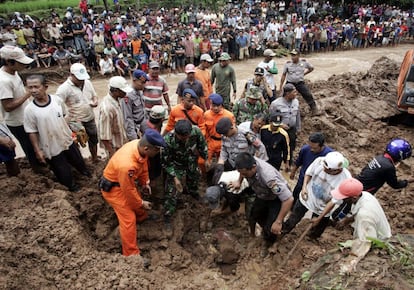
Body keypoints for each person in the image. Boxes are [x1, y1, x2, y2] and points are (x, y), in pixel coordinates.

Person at [99, 129, 166, 257]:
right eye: (156, 150)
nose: (158, 153)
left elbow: (143, 163)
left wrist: (144, 182)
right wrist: (141, 203)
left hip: (123, 183)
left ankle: (142, 217)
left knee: (137, 201)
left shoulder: (138, 145)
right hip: (114, 189)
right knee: (128, 218)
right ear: (147, 148)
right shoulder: (127, 165)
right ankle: (131, 254)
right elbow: (128, 191)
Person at [24, 74, 90, 192]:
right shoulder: (29, 110)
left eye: (36, 87)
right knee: (61, 169)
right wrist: (38, 150)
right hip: (50, 144)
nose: (33, 90)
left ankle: (87, 175)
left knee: (78, 160)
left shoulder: (56, 101)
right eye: (30, 87)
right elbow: (31, 131)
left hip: (66, 139)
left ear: (45, 87)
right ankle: (72, 187)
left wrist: (73, 133)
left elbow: (64, 117)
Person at [233, 152, 294, 253]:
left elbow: (288, 199)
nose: (243, 175)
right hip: (262, 194)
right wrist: (238, 182)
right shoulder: (246, 164)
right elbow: (241, 172)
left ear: (253, 167)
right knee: (254, 215)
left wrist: (278, 221)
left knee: (273, 227)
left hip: (276, 198)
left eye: (245, 174)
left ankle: (271, 240)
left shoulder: (268, 177)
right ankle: (264, 229)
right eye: (241, 173)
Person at [282, 152, 351, 239]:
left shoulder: (345, 180)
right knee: (293, 218)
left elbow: (332, 202)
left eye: (326, 169)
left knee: (317, 229)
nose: (323, 169)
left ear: (335, 170)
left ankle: (312, 239)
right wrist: (304, 188)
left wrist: (319, 218)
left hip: (324, 206)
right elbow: (309, 173)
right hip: (308, 197)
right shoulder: (320, 161)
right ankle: (281, 234)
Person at [0, 45, 41, 172]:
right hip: (18, 121)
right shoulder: (3, 81)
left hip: (25, 117)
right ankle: (37, 170)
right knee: (30, 147)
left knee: (36, 144)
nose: (24, 65)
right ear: (9, 62)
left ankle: (40, 166)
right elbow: (7, 107)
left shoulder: (14, 73)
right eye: (20, 63)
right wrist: (27, 94)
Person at [162, 119, 207, 224]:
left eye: (187, 136)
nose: (185, 138)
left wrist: (205, 159)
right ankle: (168, 214)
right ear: (176, 133)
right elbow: (166, 163)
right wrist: (175, 178)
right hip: (176, 165)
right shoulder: (168, 140)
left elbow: (202, 146)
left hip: (191, 161)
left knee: (195, 177)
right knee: (171, 190)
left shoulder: (196, 131)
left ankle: (192, 192)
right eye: (182, 137)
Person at [56, 63, 99, 161]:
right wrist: (63, 119)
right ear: (71, 75)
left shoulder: (87, 83)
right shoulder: (64, 88)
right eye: (79, 79)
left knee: (93, 139)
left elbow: (94, 95)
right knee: (77, 141)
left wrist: (95, 101)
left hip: (89, 116)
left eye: (83, 78)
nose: (81, 81)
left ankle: (94, 158)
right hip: (75, 120)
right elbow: (57, 104)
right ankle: (80, 161)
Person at [213, 117, 268, 184]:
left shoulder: (246, 134)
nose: (225, 136)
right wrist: (220, 163)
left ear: (231, 128)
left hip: (245, 168)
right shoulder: (224, 135)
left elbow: (261, 147)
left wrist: (258, 165)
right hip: (232, 164)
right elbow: (224, 148)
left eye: (226, 133)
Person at [290, 132, 333, 203]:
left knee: (308, 202)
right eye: (310, 147)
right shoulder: (305, 149)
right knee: (295, 197)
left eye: (314, 148)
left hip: (316, 184)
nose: (311, 150)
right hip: (302, 180)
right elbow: (298, 162)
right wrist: (293, 172)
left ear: (321, 146)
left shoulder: (329, 155)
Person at [279, 49, 320, 116]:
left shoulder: (304, 62)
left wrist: (304, 74)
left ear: (298, 55)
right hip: (290, 83)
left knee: (308, 94)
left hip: (300, 83)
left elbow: (311, 68)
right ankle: (282, 111)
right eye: (292, 55)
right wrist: (281, 86)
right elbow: (284, 75)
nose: (292, 57)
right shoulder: (288, 64)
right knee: (284, 96)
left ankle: (314, 109)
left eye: (294, 55)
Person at [98, 76, 132, 158]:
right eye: (123, 91)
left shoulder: (117, 100)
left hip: (121, 143)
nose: (126, 93)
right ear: (116, 91)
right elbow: (104, 136)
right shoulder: (107, 109)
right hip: (114, 148)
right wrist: (113, 154)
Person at [270, 83, 301, 165]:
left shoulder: (296, 102)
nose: (296, 94)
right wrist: (280, 124)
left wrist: (298, 128)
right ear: (287, 93)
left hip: (291, 130)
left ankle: (288, 164)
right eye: (294, 92)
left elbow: (297, 115)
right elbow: (270, 118)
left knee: (290, 148)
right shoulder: (275, 104)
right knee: (278, 147)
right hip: (280, 130)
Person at [203, 93, 235, 172]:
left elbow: (233, 130)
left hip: (223, 142)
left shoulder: (229, 115)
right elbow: (205, 129)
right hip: (211, 141)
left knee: (222, 162)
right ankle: (204, 178)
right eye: (213, 105)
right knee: (203, 161)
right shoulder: (206, 114)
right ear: (210, 104)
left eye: (218, 106)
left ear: (221, 105)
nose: (216, 108)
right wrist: (206, 140)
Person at [120, 69, 149, 141]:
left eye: (145, 82)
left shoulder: (140, 92)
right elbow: (127, 118)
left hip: (142, 125)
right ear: (134, 80)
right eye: (142, 82)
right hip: (134, 129)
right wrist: (133, 138)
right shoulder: (128, 96)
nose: (144, 85)